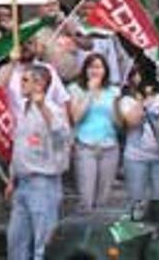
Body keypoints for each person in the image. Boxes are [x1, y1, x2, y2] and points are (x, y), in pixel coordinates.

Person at [5, 65, 71, 260]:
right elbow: (19, 146)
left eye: (25, 80)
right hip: (22, 182)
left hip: (43, 183)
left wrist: (42, 107)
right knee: (16, 242)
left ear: (39, 84)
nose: (20, 84)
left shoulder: (52, 108)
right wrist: (11, 178)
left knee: (43, 245)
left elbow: (62, 134)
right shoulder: (24, 109)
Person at [68, 53, 120, 212]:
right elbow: (75, 117)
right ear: (85, 69)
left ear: (105, 70)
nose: (95, 71)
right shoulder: (75, 89)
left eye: (99, 67)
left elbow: (119, 122)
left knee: (103, 199)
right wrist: (90, 92)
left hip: (109, 146)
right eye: (91, 67)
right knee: (86, 199)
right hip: (85, 146)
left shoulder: (114, 91)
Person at [119, 78, 159, 204]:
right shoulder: (126, 100)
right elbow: (132, 122)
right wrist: (143, 102)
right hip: (135, 158)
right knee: (136, 203)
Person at [0, 38, 70, 118]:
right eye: (20, 44)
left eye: (29, 43)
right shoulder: (7, 69)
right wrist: (13, 62)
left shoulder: (48, 69)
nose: (25, 46)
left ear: (36, 45)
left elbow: (63, 100)